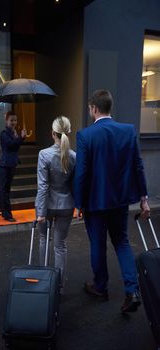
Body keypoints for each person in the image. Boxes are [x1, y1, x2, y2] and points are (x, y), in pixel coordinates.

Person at [74, 89, 150, 313]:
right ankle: (132, 290)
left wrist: (78, 204)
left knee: (98, 245)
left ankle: (100, 287)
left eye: (89, 108)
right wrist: (144, 199)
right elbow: (138, 166)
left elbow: (82, 173)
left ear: (94, 108)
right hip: (120, 201)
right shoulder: (127, 131)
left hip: (95, 203)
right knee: (122, 243)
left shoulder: (85, 135)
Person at [35, 116, 76, 293]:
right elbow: (76, 184)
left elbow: (43, 186)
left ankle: (44, 280)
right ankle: (59, 285)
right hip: (67, 204)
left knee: (44, 239)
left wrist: (41, 212)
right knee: (60, 245)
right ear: (68, 133)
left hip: (47, 205)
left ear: (53, 134)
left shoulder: (44, 154)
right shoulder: (74, 156)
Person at [0, 111, 26, 222]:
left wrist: (19, 137)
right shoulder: (4, 133)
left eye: (15, 120)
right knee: (5, 190)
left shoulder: (13, 132)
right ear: (6, 121)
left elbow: (12, 148)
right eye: (11, 120)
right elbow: (9, 146)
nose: (14, 122)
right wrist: (21, 138)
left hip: (11, 163)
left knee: (3, 188)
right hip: (5, 165)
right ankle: (7, 215)